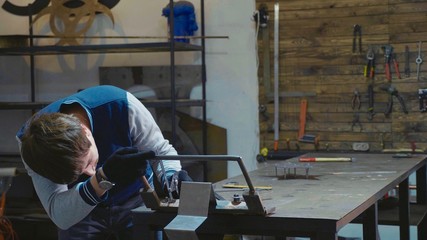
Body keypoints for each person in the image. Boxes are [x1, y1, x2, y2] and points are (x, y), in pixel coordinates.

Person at [15, 85, 191, 240]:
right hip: (80, 213)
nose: (90, 172)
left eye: (89, 162)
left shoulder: (121, 104)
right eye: (79, 174)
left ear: (86, 132)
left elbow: (160, 151)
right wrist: (102, 178)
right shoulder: (33, 146)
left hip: (135, 200)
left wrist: (172, 177)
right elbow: (60, 214)